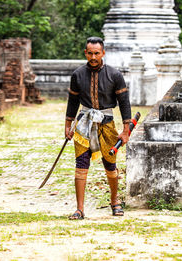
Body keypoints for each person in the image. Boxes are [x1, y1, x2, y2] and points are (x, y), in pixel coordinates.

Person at [65, 36, 131, 220]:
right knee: (81, 164)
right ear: (85, 53)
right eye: (90, 53)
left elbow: (124, 103)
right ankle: (79, 209)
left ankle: (115, 201)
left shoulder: (115, 75)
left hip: (107, 124)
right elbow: (72, 102)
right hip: (84, 123)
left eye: (97, 53)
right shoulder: (77, 75)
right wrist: (68, 125)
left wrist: (125, 131)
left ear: (103, 53)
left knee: (110, 164)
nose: (93, 57)